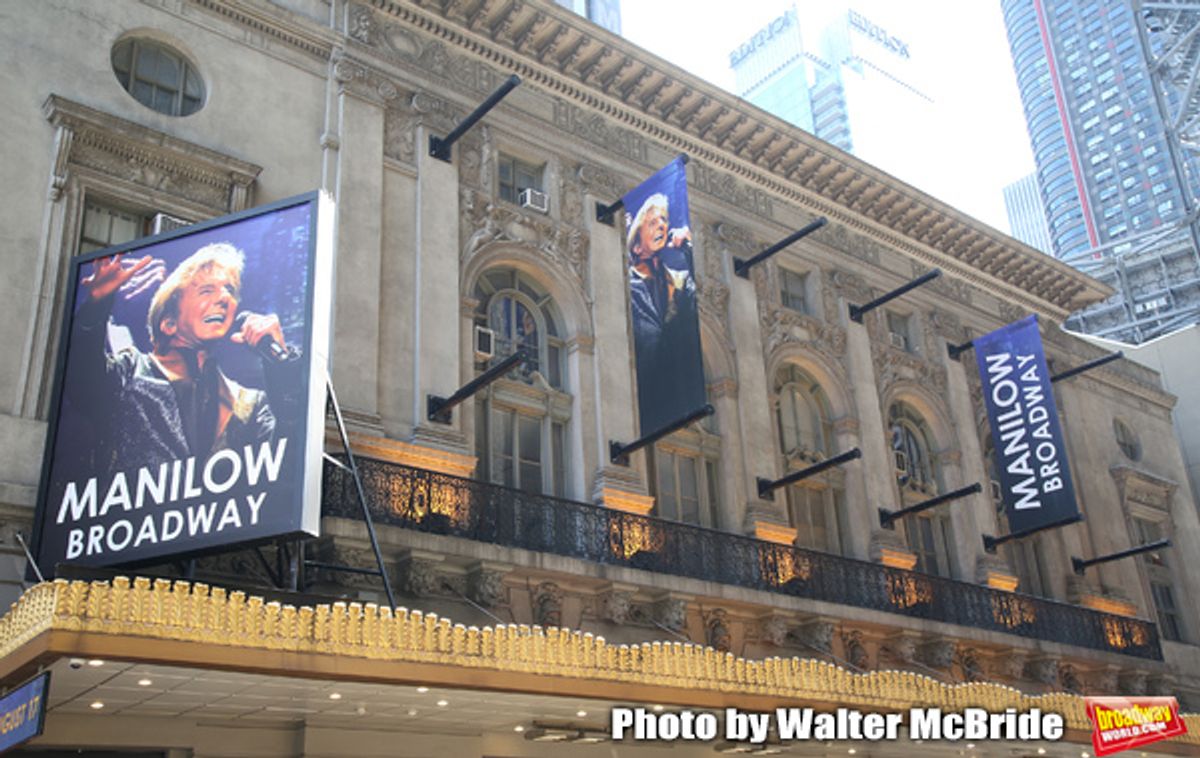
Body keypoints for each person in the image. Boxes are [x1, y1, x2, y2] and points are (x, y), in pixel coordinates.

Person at [65, 242, 302, 474]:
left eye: (230, 290)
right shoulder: (130, 372)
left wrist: (282, 367)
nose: (224, 299)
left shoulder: (250, 404)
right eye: (207, 290)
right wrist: (97, 305)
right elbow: (82, 382)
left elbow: (285, 468)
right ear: (169, 322)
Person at [626, 193, 704, 431]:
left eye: (664, 220)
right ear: (637, 244)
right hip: (642, 394)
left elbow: (694, 301)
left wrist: (688, 251)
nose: (662, 224)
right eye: (652, 222)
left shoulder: (678, 282)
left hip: (674, 394)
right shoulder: (625, 281)